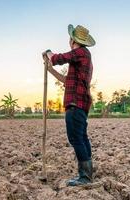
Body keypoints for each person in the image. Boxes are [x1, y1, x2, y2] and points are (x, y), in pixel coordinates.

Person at [42, 24, 95, 186]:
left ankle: (85, 177)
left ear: (73, 40)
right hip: (81, 103)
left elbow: (58, 58)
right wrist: (50, 70)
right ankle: (88, 172)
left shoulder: (80, 52)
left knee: (76, 138)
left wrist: (48, 53)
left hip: (75, 103)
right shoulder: (84, 57)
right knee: (82, 137)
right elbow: (68, 81)